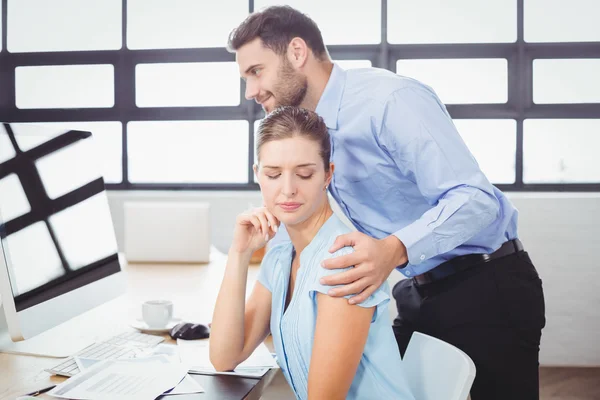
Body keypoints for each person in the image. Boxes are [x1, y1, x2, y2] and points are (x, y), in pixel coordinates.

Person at [227, 6, 546, 400]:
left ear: (296, 52)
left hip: (487, 287)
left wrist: (393, 250)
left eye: (256, 71)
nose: (250, 91)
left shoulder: (389, 100)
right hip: (417, 290)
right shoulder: (313, 131)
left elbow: (477, 200)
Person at [209, 106, 414, 400]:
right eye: (274, 174)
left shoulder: (344, 262)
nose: (288, 189)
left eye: (304, 174)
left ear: (327, 174)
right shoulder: (281, 257)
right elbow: (224, 357)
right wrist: (239, 253)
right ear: (258, 175)